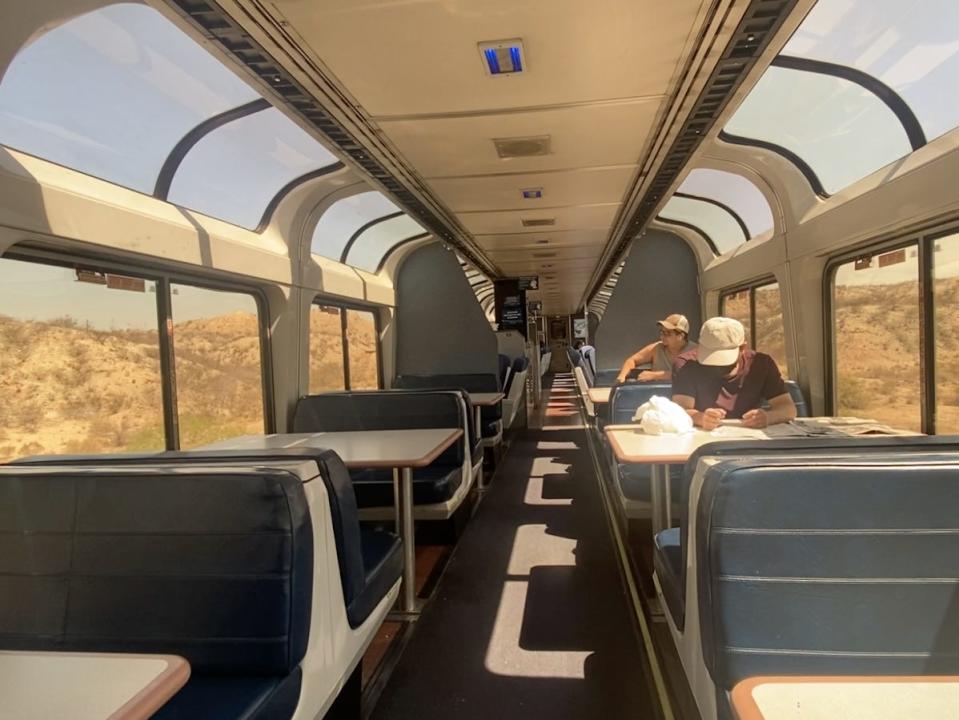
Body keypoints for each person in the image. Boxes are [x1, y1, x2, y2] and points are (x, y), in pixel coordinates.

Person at [671, 316, 796, 430]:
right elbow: (681, 410)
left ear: (742, 348)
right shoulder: (686, 365)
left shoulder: (761, 364)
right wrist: (700, 417)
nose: (717, 365)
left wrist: (768, 417)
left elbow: (788, 408)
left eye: (723, 359)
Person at [616, 314, 696, 383]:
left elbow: (692, 376)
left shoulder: (695, 351)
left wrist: (655, 375)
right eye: (661, 332)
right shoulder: (656, 348)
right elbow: (632, 360)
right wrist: (621, 378)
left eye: (667, 333)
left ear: (680, 336)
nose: (662, 336)